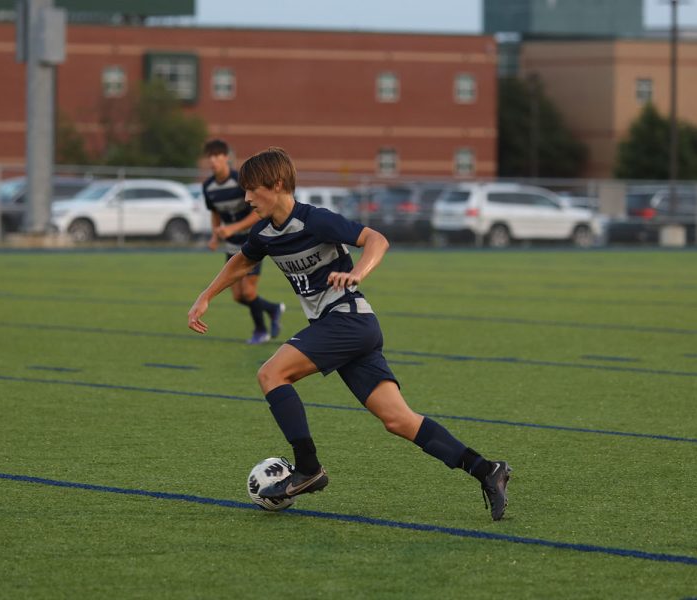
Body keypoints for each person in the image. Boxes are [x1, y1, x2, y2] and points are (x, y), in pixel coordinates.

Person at [188, 147, 512, 521]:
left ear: (276, 185)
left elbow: (377, 240)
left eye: (252, 190)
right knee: (399, 420)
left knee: (270, 373)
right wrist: (205, 296)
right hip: (346, 329)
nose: (246, 198)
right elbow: (242, 261)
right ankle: (487, 469)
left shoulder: (316, 220)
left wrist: (358, 273)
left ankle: (308, 468)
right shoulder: (263, 232)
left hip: (346, 321)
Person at [202, 139, 284, 344]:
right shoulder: (208, 187)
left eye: (217, 156)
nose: (213, 160)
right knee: (238, 296)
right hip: (231, 246)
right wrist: (214, 236)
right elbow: (215, 214)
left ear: (226, 157)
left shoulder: (240, 180)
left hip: (252, 242)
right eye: (209, 157)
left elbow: (258, 214)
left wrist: (233, 228)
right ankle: (273, 309)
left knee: (248, 291)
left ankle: (261, 331)